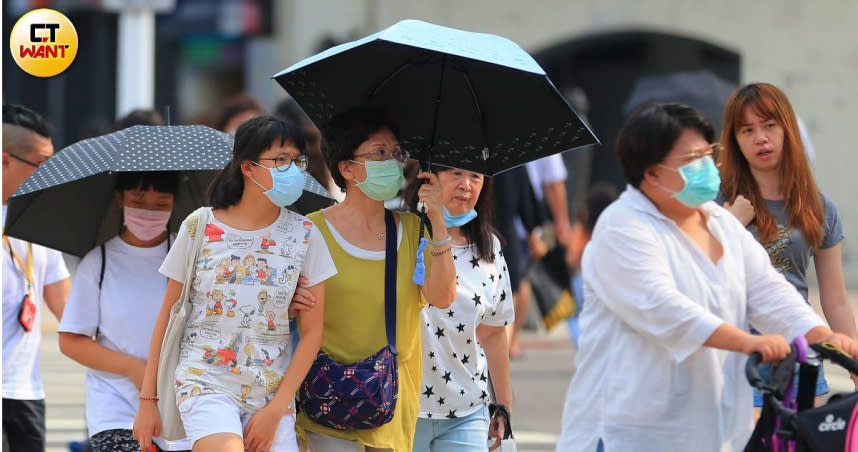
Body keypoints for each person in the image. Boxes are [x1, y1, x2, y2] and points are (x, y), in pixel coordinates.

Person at [555, 102, 858, 452]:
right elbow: (664, 308)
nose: (705, 167)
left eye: (707, 154)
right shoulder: (622, 228)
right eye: (690, 160)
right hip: (626, 432)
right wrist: (749, 342)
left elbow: (770, 292)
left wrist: (825, 338)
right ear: (652, 174)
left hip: (706, 429)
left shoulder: (719, 222)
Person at [133, 116, 336, 452]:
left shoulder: (306, 235)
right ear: (248, 168)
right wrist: (147, 399)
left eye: (298, 160)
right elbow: (169, 315)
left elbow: (313, 333)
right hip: (205, 383)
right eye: (281, 160)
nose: (294, 169)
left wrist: (276, 408)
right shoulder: (200, 225)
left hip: (272, 393)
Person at [294, 104, 456, 451]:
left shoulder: (414, 229)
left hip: (392, 405)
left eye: (397, 153)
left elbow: (442, 296)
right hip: (326, 400)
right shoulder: (310, 230)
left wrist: (438, 220)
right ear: (347, 168)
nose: (393, 161)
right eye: (380, 152)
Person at [719, 82, 858, 404]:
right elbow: (698, 275)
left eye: (769, 126)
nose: (761, 138)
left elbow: (834, 299)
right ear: (735, 141)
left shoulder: (820, 208)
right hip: (739, 355)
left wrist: (851, 360)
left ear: (788, 131)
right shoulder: (719, 203)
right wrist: (731, 224)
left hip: (799, 353)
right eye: (747, 130)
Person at [57, 171, 192, 452]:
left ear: (175, 204)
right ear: (120, 199)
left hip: (181, 405)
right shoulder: (98, 262)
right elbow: (71, 340)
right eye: (138, 200)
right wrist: (132, 368)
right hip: (115, 407)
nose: (148, 212)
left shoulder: (190, 255)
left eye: (161, 203)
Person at [403, 167, 514, 451]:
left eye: (476, 177)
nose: (466, 185)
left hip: (466, 412)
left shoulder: (489, 249)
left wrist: (503, 405)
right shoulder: (400, 234)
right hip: (401, 407)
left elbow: (492, 333)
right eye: (455, 174)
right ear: (429, 178)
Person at [2, 104, 72, 452]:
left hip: (24, 392)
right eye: (42, 164)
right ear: (5, 160)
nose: (49, 174)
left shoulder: (40, 220)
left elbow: (67, 308)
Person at [563, 183, 617, 348]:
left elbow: (570, 257)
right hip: (608, 280)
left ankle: (583, 345)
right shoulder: (614, 229)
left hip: (582, 279)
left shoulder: (583, 230)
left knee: (577, 316)